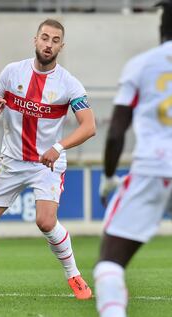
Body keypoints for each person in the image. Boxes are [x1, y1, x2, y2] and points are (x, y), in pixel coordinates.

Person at [0, 19, 95, 300]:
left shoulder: (69, 84)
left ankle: (74, 275)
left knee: (46, 222)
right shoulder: (11, 73)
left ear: (61, 46)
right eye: (45, 38)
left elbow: (88, 126)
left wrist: (58, 146)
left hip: (47, 163)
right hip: (12, 160)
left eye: (55, 40)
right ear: (35, 40)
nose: (49, 44)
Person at [94, 1, 172, 316]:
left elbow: (115, 133)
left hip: (153, 170)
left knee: (110, 264)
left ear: (160, 28)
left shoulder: (141, 65)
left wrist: (109, 176)